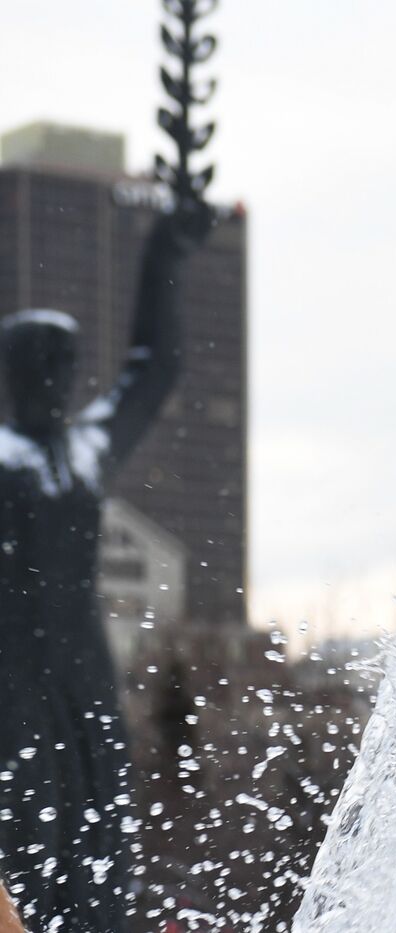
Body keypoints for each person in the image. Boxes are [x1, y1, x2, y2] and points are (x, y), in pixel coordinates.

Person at [0, 204, 207, 932]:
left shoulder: (87, 450)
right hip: (12, 668)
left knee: (100, 816)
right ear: (15, 371)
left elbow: (153, 369)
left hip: (83, 663)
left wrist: (165, 253)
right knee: (24, 818)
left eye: (66, 362)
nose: (59, 376)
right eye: (43, 363)